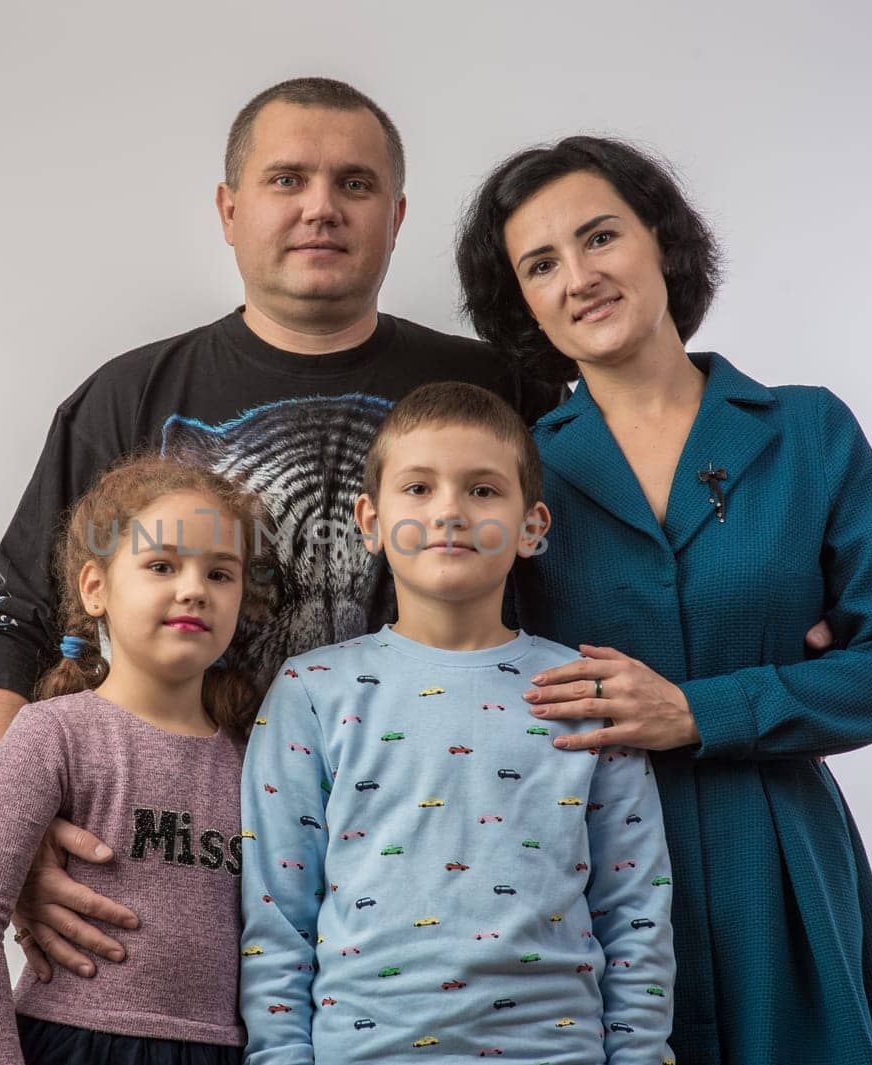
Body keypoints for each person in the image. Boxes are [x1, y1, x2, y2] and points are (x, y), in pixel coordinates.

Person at [0, 76, 562, 983]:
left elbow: (609, 559)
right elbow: (13, 626)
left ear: (396, 217)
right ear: (230, 209)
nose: (321, 208)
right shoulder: (129, 397)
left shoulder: (497, 393)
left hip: (429, 882)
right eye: (287, 180)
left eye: (354, 184)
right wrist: (13, 835)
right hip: (154, 890)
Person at [455, 136, 872, 1065]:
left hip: (780, 865)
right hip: (581, 870)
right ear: (520, 302)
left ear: (662, 242)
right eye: (542, 264)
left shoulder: (809, 430)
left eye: (601, 238)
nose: (580, 277)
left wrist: (698, 708)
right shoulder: (513, 472)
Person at [238, 383, 676, 1064]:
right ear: (371, 519)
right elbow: (277, 916)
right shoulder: (312, 691)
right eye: (418, 488)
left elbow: (636, 913)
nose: (448, 510)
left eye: (481, 490)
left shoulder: (583, 693)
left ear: (532, 526)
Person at [0, 455, 269, 1065]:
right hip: (68, 1045)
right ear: (96, 588)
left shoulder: (258, 761)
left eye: (221, 573)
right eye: (162, 565)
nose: (194, 587)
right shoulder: (51, 733)